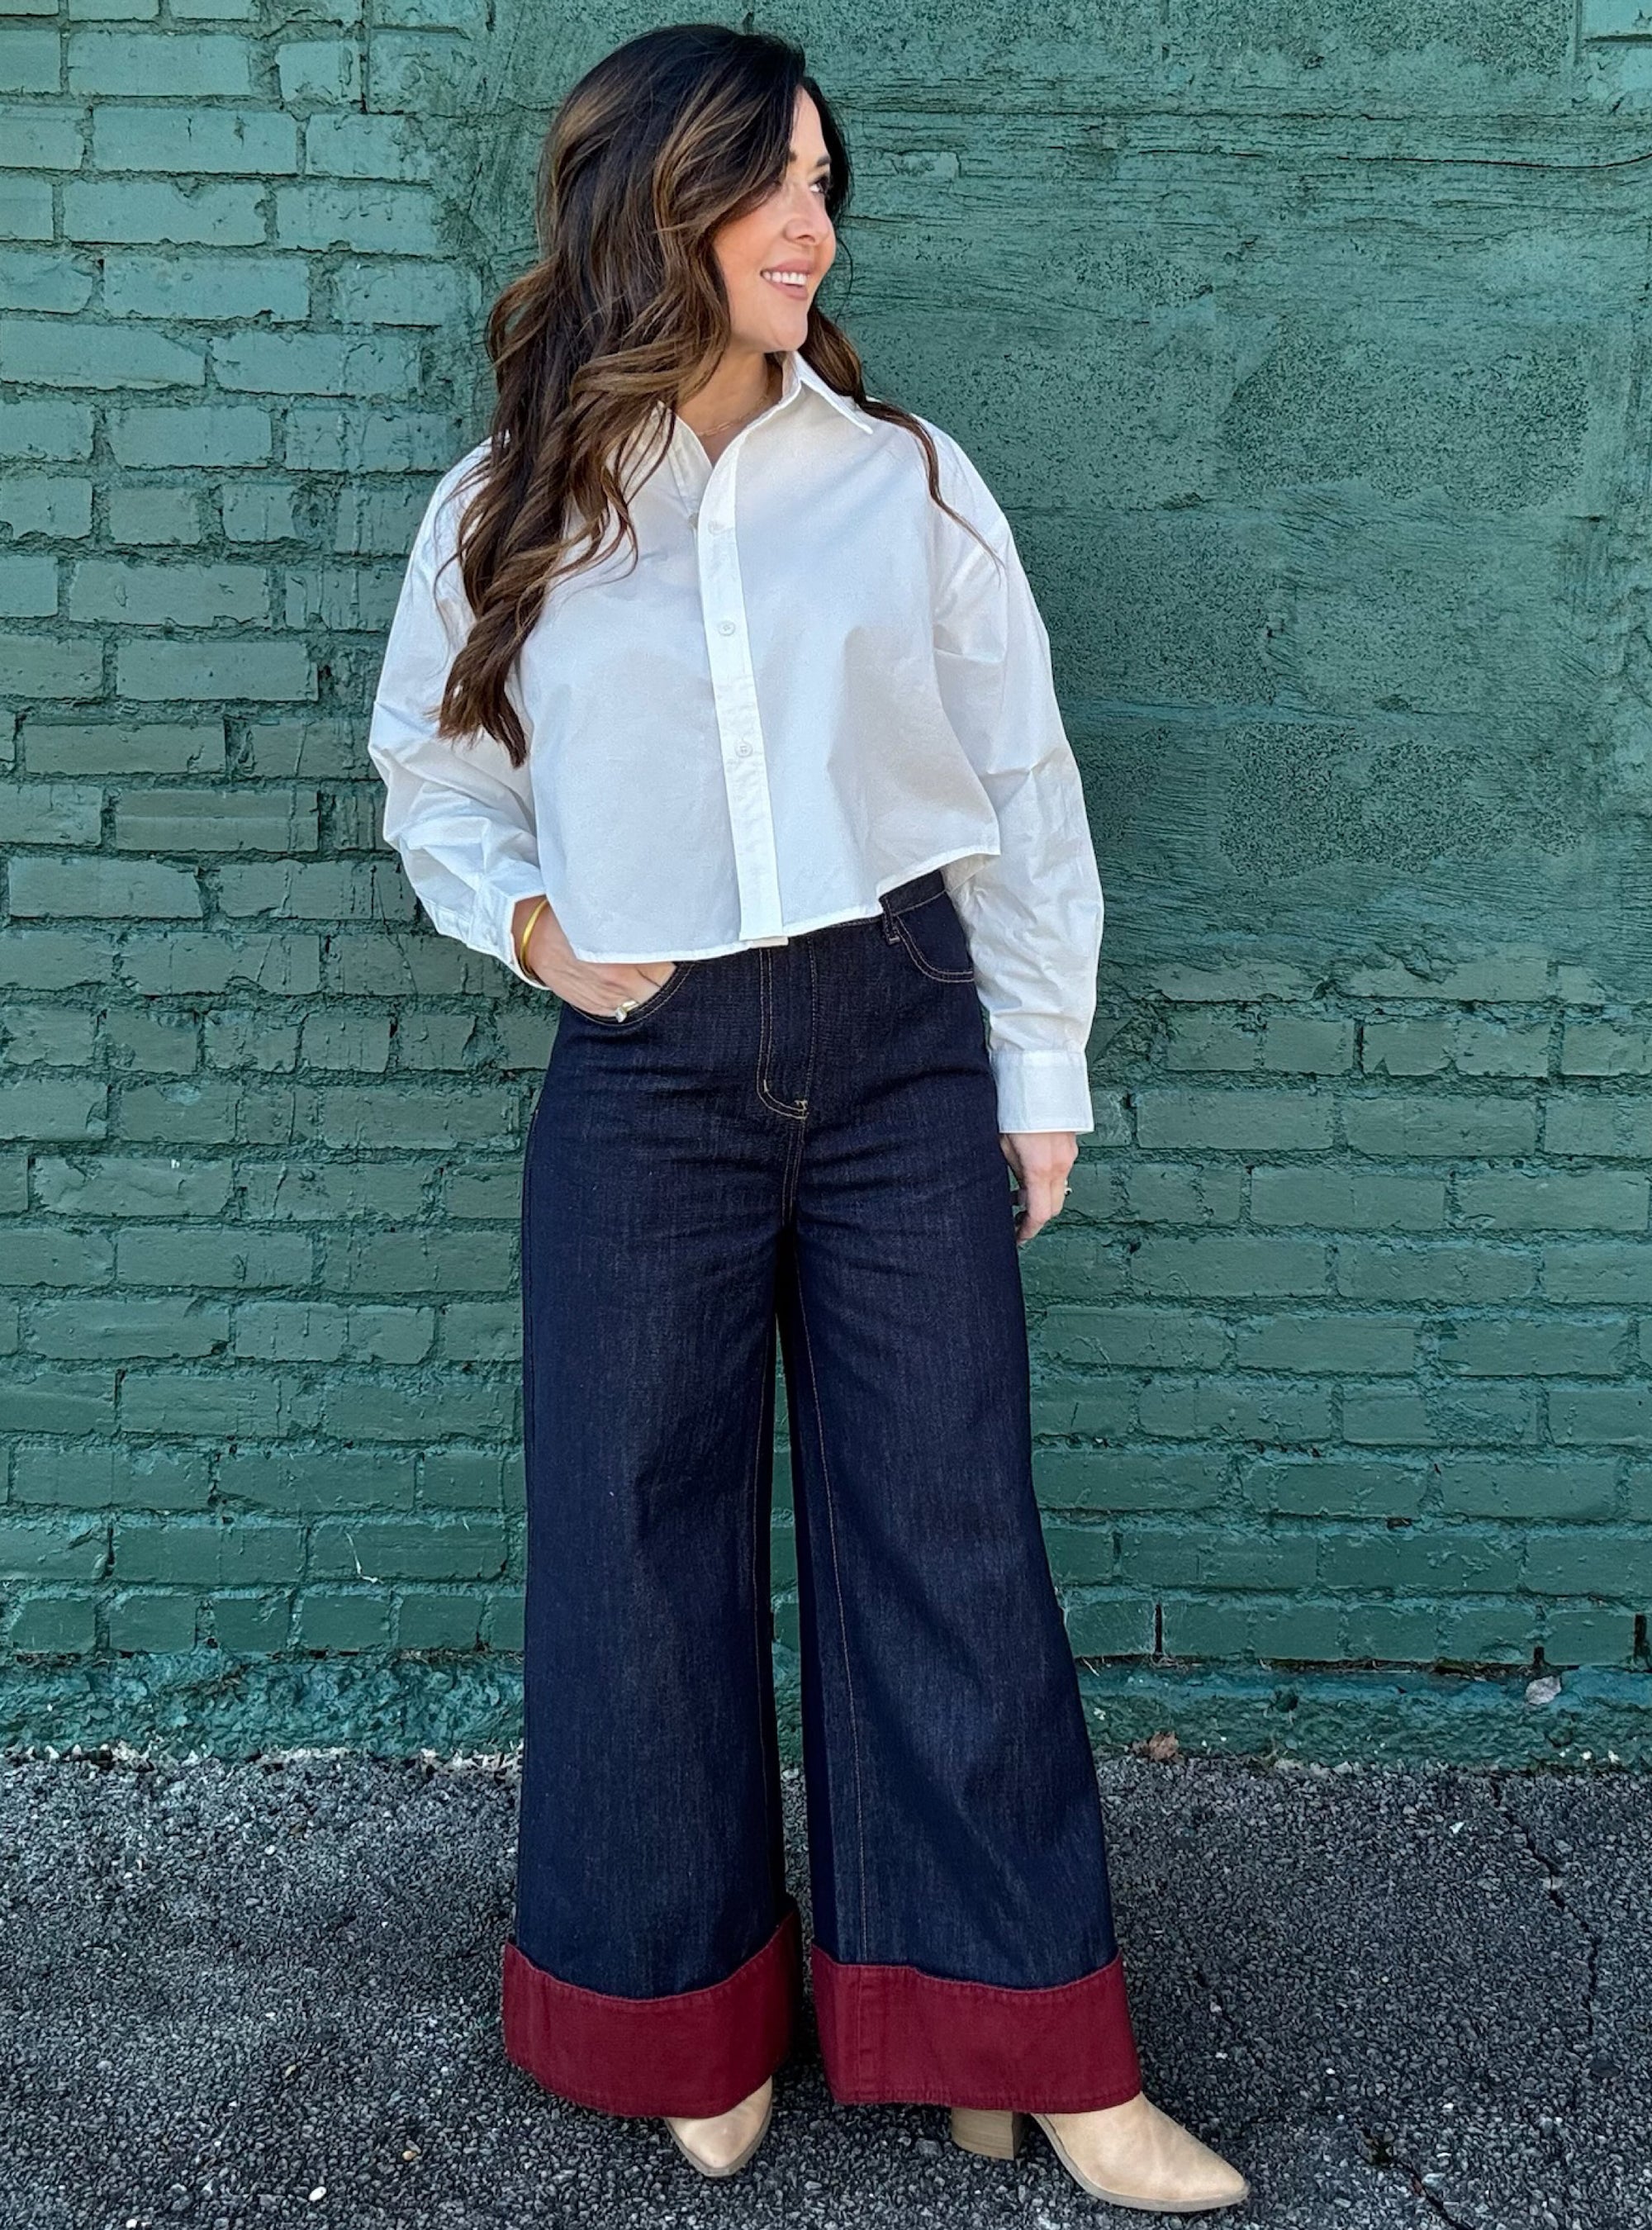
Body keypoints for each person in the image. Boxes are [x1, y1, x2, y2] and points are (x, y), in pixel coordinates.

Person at [367, 21, 1248, 2214]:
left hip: (898, 1050)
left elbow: (1023, 791)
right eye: (766, 185)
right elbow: (435, 778)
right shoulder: (514, 508)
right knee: (637, 1546)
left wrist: (1035, 1072)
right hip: (647, 1077)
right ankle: (686, 2024)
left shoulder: (910, 483)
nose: (809, 226)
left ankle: (1028, 2045)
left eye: (827, 186)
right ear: (645, 210)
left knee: (949, 1536)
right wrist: (542, 927)